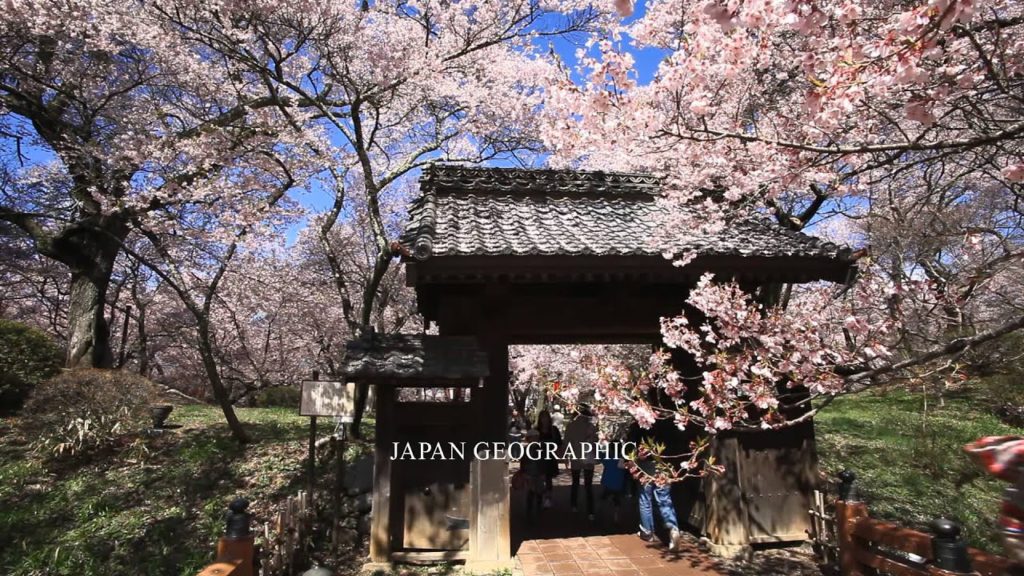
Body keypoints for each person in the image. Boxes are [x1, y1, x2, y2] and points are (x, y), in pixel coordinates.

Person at [628, 419, 683, 551]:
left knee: (645, 498)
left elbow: (630, 447)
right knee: (664, 498)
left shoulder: (637, 425)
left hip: (645, 465)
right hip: (664, 463)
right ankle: (673, 529)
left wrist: (633, 459)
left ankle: (647, 532)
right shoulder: (665, 423)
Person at [564, 405, 598, 519]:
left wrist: (566, 457)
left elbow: (567, 442)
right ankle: (590, 511)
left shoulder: (571, 426)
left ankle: (574, 505)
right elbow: (595, 443)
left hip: (576, 457)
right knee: (588, 485)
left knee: (575, 482)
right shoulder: (591, 427)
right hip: (588, 457)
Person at [535, 409, 562, 509]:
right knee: (539, 479)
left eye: (546, 417)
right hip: (539, 458)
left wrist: (561, 455)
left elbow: (559, 443)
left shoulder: (554, 430)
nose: (544, 420)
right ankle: (539, 499)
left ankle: (548, 498)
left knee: (548, 478)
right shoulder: (536, 430)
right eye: (542, 418)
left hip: (550, 457)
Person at [520, 429, 546, 524]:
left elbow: (543, 462)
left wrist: (543, 473)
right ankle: (529, 513)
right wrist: (524, 473)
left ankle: (538, 511)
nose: (535, 439)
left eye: (536, 437)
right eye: (533, 438)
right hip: (529, 474)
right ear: (529, 439)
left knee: (539, 493)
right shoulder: (525, 449)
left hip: (538, 473)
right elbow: (523, 462)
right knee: (530, 493)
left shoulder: (541, 449)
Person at [600, 442, 629, 524]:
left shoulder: (607, 457)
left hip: (607, 482)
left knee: (605, 497)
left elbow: (600, 458)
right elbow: (624, 467)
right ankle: (616, 516)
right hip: (618, 482)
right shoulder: (622, 458)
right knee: (617, 500)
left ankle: (603, 513)